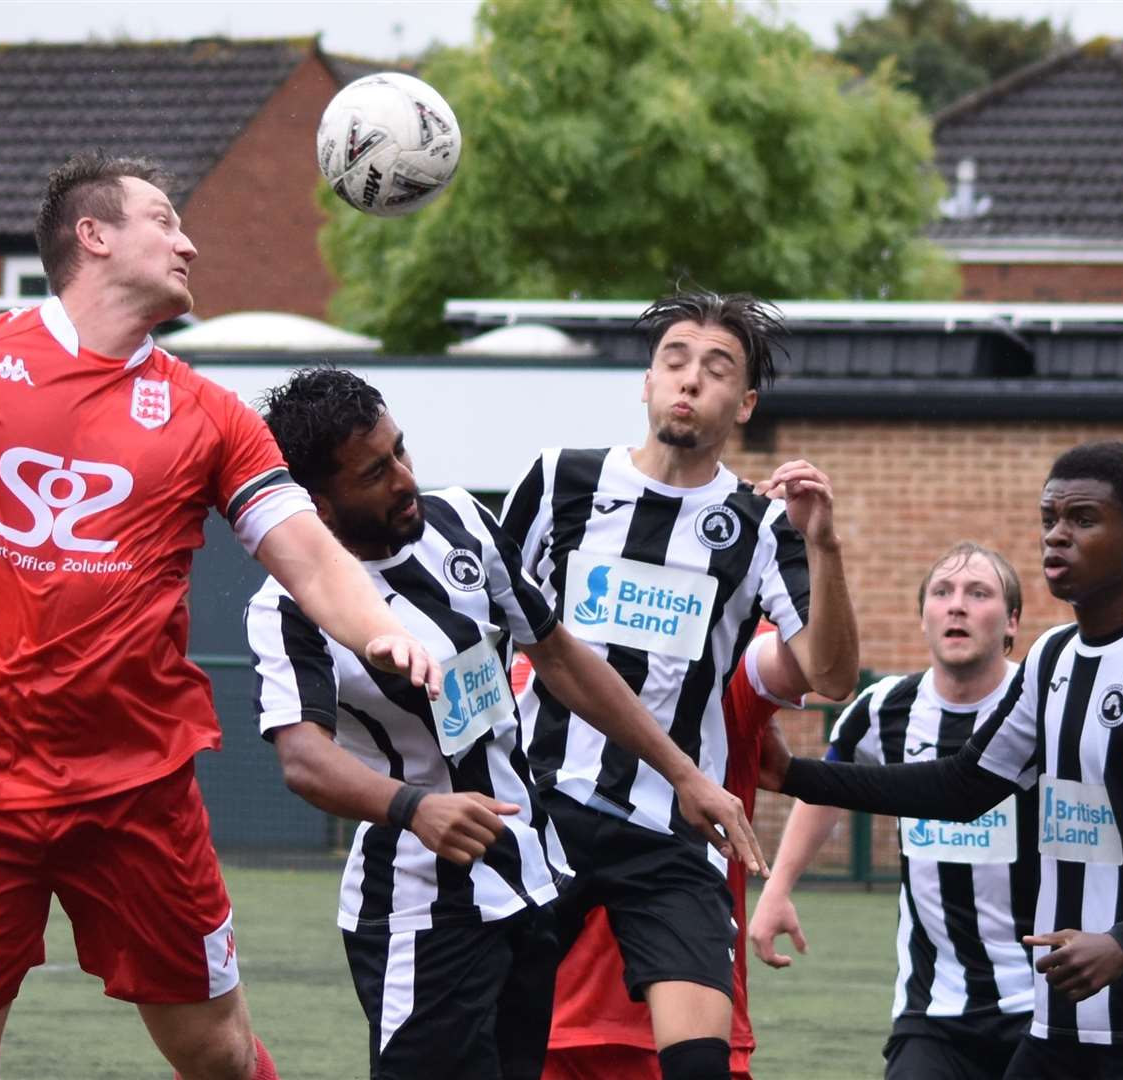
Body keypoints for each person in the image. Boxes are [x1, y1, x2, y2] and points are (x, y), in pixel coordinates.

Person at [0, 152, 441, 1080]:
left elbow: (303, 547)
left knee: (216, 1053)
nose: (188, 240)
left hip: (136, 793)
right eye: (164, 219)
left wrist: (376, 625)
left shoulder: (209, 415)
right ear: (93, 236)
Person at [244, 368, 757, 1080]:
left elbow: (560, 656)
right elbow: (303, 758)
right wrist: (415, 808)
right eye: (375, 472)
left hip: (527, 881)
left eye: (401, 451)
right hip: (421, 908)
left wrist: (683, 773)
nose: (404, 478)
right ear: (319, 506)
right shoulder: (287, 607)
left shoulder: (461, 520)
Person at [777, 442, 1123, 1079]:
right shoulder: (1053, 659)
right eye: (1049, 520)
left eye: (1083, 520)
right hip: (1061, 1023)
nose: (1057, 537)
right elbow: (964, 786)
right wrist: (787, 774)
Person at [500, 289, 860, 1080]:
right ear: (646, 382)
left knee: (700, 1067)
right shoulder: (562, 479)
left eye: (716, 369)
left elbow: (830, 675)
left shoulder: (763, 525)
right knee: (495, 1049)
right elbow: (487, 625)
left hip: (669, 832)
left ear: (745, 403)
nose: (690, 380)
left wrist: (824, 545)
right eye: (675, 360)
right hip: (540, 809)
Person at [750, 542, 1037, 1080]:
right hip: (932, 1007)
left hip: (1046, 1005)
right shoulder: (884, 708)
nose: (957, 606)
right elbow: (832, 788)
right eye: (942, 592)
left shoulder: (1042, 704)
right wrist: (778, 887)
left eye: (979, 594)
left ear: (1012, 623)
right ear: (923, 617)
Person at [536, 625, 806, 1080]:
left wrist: (816, 557)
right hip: (549, 1021)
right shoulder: (527, 641)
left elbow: (807, 666)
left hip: (687, 1023)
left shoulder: (725, 632)